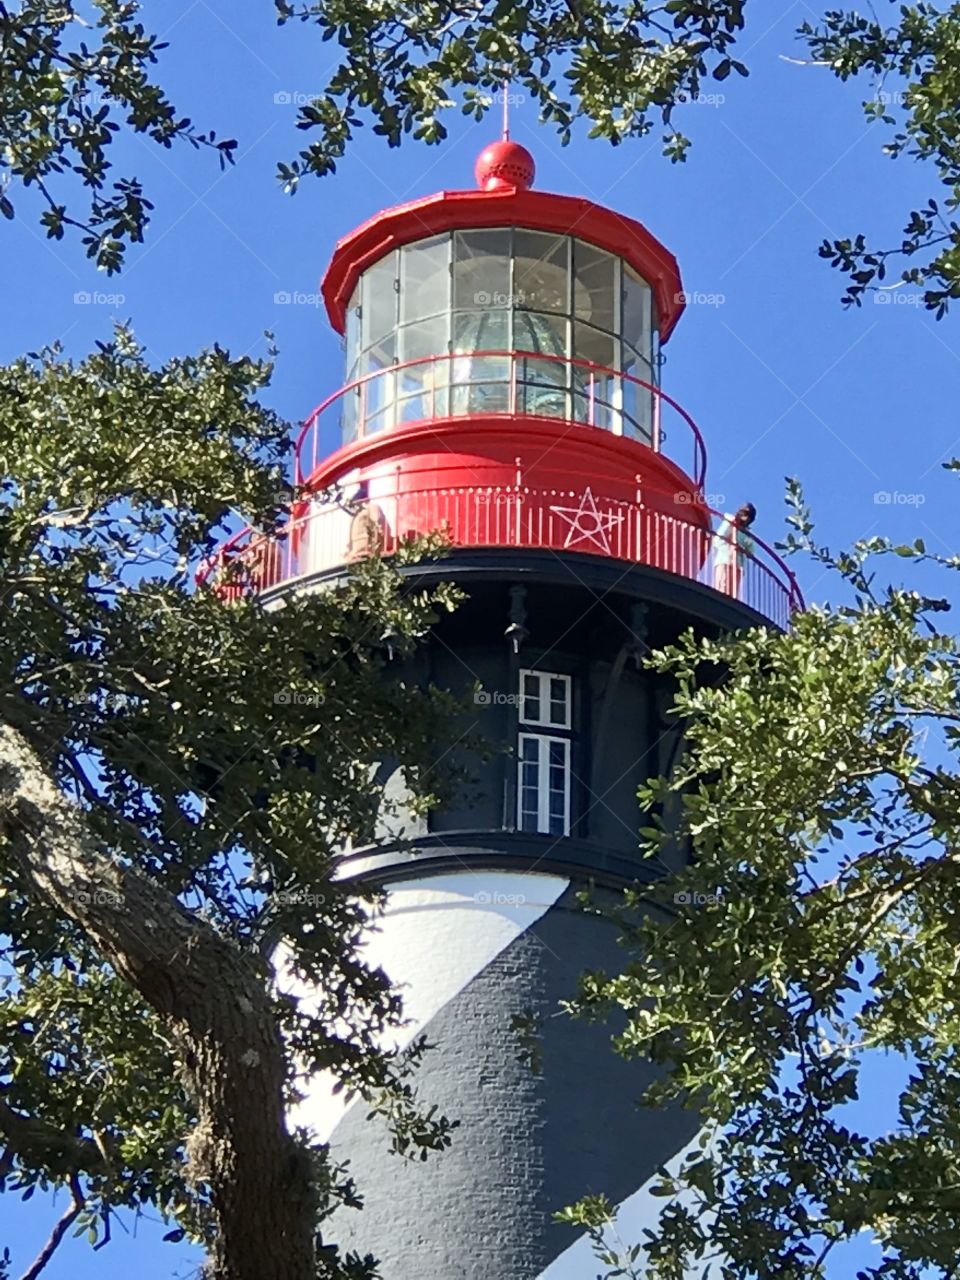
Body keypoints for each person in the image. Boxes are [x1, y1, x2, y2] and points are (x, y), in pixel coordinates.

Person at [713, 502, 756, 598]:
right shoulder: (730, 522)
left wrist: (741, 549)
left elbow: (751, 551)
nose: (745, 516)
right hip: (725, 561)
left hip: (738, 566)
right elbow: (718, 539)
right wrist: (730, 550)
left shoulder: (746, 534)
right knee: (721, 590)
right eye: (744, 512)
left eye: (748, 515)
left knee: (732, 595)